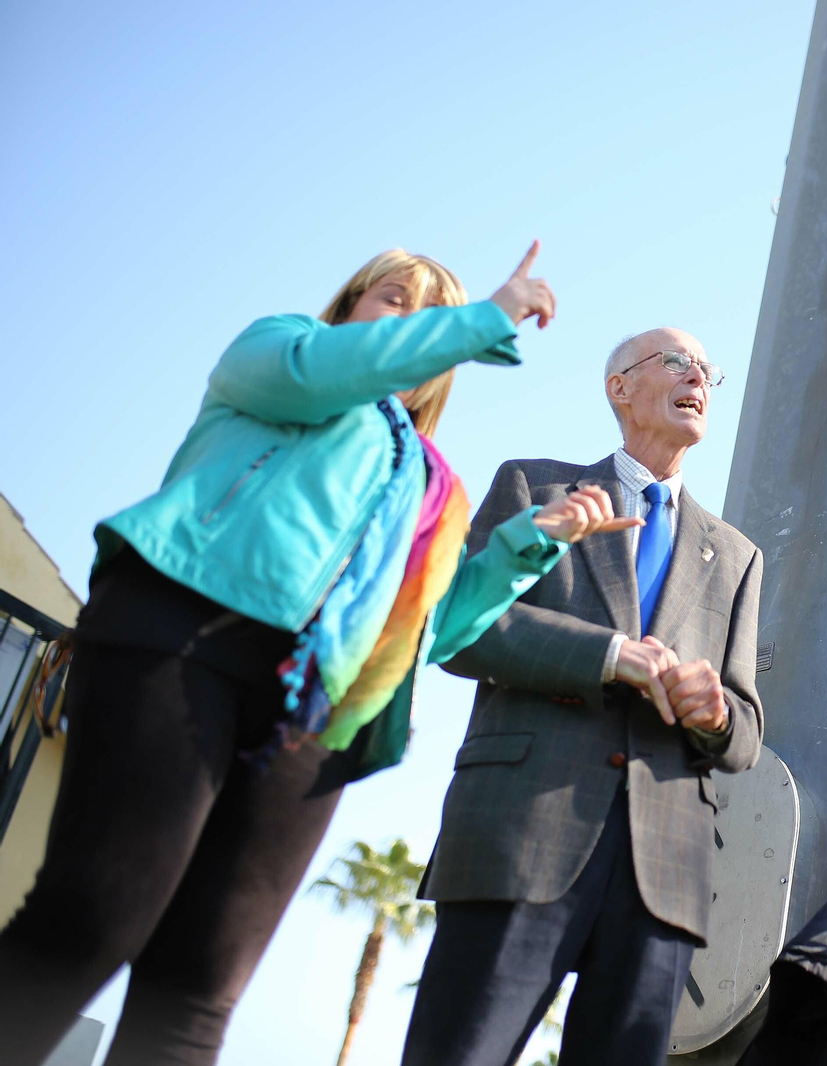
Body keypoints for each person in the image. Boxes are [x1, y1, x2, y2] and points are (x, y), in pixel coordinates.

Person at [0, 242, 636, 1066]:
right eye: (394, 300)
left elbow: (425, 629)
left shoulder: (437, 486)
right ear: (347, 309)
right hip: (183, 634)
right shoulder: (282, 352)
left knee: (198, 992)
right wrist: (480, 318)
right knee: (90, 919)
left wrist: (531, 542)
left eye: (433, 316)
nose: (413, 322)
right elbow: (327, 369)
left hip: (317, 712)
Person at [401, 328, 764, 1066]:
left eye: (706, 369)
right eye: (676, 360)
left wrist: (716, 710)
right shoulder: (535, 488)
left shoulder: (735, 554)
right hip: (520, 830)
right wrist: (609, 658)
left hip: (661, 873)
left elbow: (747, 728)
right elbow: (464, 630)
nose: (698, 375)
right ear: (620, 387)